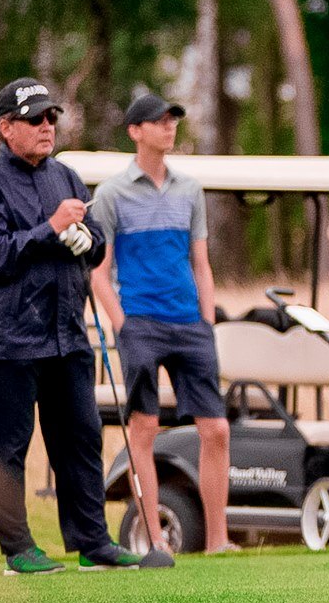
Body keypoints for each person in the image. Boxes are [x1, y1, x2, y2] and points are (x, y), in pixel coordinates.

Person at [0, 78, 142, 574]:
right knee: (10, 445)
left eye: (51, 117)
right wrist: (49, 230)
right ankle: (17, 549)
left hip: (67, 334)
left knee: (81, 438)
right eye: (34, 118)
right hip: (12, 339)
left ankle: (92, 543)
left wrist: (89, 243)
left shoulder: (66, 178)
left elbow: (95, 243)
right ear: (5, 127)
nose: (46, 126)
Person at [89, 93, 234, 555]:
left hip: (190, 324)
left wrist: (206, 322)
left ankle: (218, 541)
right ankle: (154, 541)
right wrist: (123, 325)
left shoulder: (189, 190)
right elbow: (98, 273)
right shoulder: (110, 194)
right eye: (159, 121)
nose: (169, 127)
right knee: (144, 430)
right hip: (141, 325)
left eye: (172, 120)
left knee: (217, 430)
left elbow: (201, 265)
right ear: (135, 131)